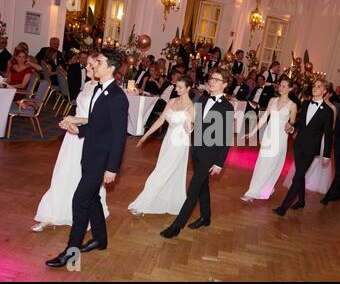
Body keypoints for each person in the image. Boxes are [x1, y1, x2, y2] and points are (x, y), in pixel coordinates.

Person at [46, 49, 129, 268]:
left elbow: (119, 136)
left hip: (102, 159)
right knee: (92, 199)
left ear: (111, 67)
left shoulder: (118, 97)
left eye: (99, 62)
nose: (94, 66)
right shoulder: (97, 91)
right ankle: (100, 239)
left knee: (80, 200)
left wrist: (112, 168)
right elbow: (98, 125)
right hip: (89, 154)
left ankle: (70, 253)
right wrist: (77, 129)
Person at [32, 54, 109, 232]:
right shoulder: (88, 85)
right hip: (72, 136)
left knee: (79, 176)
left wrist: (74, 120)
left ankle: (80, 214)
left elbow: (98, 120)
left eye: (92, 66)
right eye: (88, 65)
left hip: (88, 138)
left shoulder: (102, 89)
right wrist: (69, 121)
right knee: (62, 173)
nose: (89, 68)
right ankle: (51, 214)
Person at [160, 68, 235, 239]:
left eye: (216, 80)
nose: (211, 81)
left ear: (224, 84)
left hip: (211, 155)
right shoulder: (202, 98)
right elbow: (197, 124)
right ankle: (206, 217)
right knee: (202, 186)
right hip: (197, 151)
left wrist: (219, 163)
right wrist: (192, 127)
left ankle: (176, 227)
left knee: (193, 189)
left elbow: (225, 138)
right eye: (211, 78)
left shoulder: (227, 107)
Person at [128, 76, 195, 215]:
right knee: (164, 170)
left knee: (161, 172)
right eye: (176, 86)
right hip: (168, 141)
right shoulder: (172, 101)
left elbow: (190, 130)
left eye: (180, 87)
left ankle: (143, 204)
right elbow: (161, 120)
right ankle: (167, 201)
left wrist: (189, 124)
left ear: (188, 88)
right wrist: (145, 136)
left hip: (179, 143)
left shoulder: (191, 107)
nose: (177, 89)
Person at [273, 79, 333, 216]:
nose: (315, 88)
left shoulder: (328, 111)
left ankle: (283, 207)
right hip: (299, 144)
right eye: (314, 86)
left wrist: (327, 155)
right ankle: (301, 201)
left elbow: (328, 134)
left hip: (311, 148)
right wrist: (292, 127)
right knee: (300, 173)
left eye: (319, 87)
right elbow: (300, 122)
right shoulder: (306, 103)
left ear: (324, 91)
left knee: (298, 176)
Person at [240, 78, 297, 202]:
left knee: (271, 165)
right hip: (268, 136)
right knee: (262, 163)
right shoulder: (273, 100)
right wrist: (253, 132)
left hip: (280, 138)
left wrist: (290, 126)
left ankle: (254, 192)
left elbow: (292, 121)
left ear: (290, 88)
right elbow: (264, 117)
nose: (280, 88)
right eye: (280, 85)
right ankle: (258, 189)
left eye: (284, 86)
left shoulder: (293, 105)